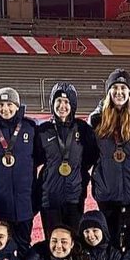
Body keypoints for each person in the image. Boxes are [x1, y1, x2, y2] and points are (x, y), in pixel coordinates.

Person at [89, 69, 130, 251]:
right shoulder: (97, 120)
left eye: (123, 88)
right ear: (109, 92)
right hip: (107, 194)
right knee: (108, 241)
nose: (119, 92)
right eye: (115, 87)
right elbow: (90, 156)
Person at [35, 81, 98, 236]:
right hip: (50, 197)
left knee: (73, 239)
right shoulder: (44, 130)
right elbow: (36, 158)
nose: (62, 106)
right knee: (53, 240)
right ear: (52, 103)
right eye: (58, 101)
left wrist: (79, 175)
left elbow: (91, 156)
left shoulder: (83, 130)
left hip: (74, 196)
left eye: (66, 102)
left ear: (73, 105)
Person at [0, 87, 38, 244]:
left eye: (9, 104)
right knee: (1, 244)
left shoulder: (29, 127)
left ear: (17, 106)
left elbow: (38, 157)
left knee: (23, 243)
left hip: (24, 201)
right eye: (1, 105)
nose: (5, 109)